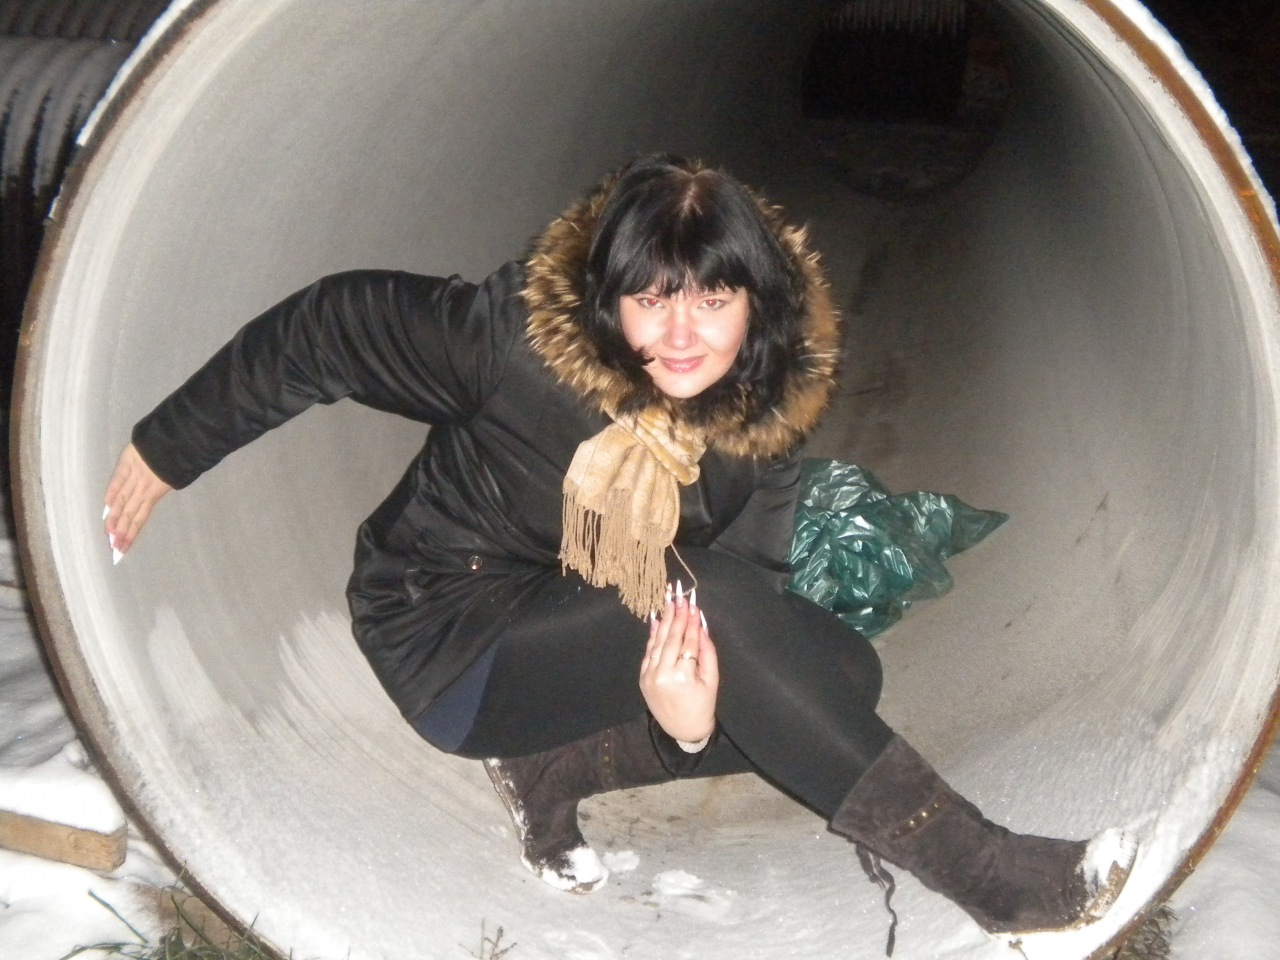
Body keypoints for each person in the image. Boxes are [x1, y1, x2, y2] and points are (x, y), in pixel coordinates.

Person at [102, 154, 1133, 951]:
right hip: (445, 628)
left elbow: (752, 604)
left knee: (841, 672)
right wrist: (168, 446)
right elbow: (326, 328)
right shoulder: (513, 347)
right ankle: (986, 872)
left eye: (712, 301)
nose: (681, 337)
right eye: (650, 299)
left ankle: (550, 770)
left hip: (582, 624)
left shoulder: (758, 423)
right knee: (716, 609)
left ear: (757, 306)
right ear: (608, 300)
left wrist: (691, 726)